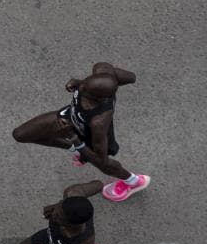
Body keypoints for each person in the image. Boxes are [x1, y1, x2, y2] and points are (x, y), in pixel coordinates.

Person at [12, 62, 149, 202]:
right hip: (68, 117)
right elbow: (132, 77)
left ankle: (133, 182)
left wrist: (72, 137)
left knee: (104, 164)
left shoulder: (99, 122)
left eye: (85, 89)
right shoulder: (101, 73)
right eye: (84, 83)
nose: (81, 87)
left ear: (99, 98)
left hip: (86, 134)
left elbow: (101, 159)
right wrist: (80, 81)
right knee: (20, 135)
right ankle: (76, 150)